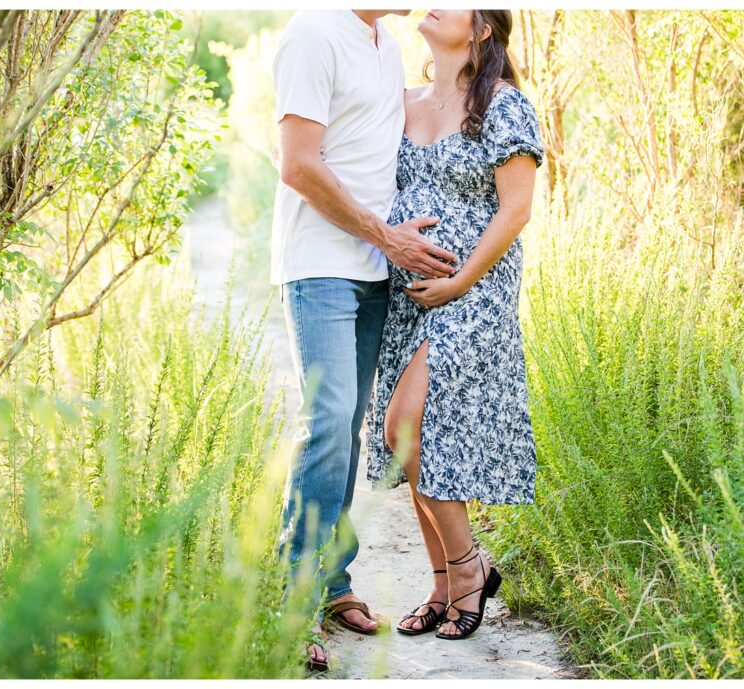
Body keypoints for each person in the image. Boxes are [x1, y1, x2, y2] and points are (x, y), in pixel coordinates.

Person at [270, 9, 459, 671]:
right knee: (324, 423)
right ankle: (288, 606)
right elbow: (297, 164)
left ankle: (329, 583)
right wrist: (388, 235)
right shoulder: (312, 33)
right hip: (320, 263)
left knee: (347, 427)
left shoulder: (384, 44)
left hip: (377, 270)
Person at [365, 9, 543, 641]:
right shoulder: (404, 102)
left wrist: (460, 280)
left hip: (474, 293)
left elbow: (517, 209)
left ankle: (469, 568)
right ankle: (443, 587)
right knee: (423, 446)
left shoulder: (501, 103)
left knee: (403, 428)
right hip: (410, 296)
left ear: (482, 29)